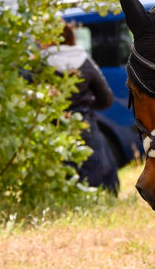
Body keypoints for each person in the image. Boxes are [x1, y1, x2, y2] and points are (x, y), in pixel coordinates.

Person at [44, 22, 120, 193]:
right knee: (97, 167)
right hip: (84, 122)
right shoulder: (83, 60)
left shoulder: (41, 65)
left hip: (52, 125)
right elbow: (106, 98)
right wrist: (86, 106)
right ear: (70, 36)